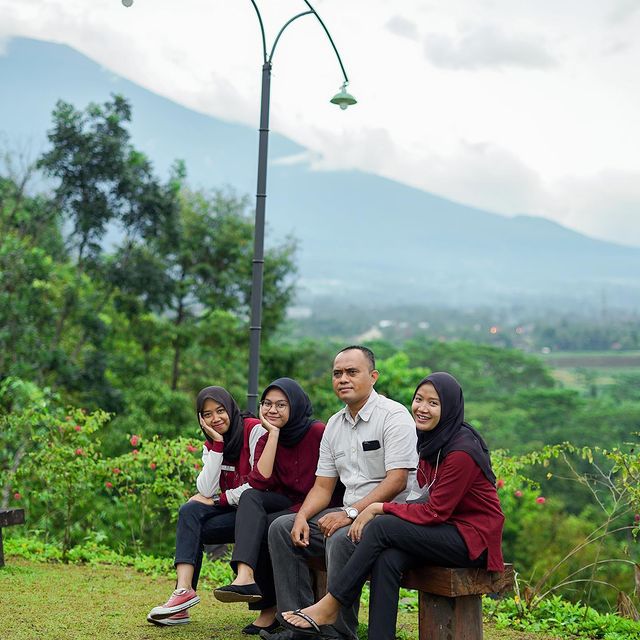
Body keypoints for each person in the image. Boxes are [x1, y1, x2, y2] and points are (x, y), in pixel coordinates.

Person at [278, 372, 505, 640]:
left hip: (471, 539)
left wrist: (378, 508)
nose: (422, 408)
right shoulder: (434, 439)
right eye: (419, 399)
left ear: (450, 408)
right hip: (444, 530)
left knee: (381, 526)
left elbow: (435, 511)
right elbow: (425, 499)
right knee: (388, 558)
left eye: (434, 403)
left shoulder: (460, 452)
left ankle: (332, 604)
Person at [265, 346, 418, 640]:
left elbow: (397, 481)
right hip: (348, 513)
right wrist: (302, 516)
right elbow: (323, 486)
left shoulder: (394, 416)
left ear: (373, 377)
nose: (343, 379)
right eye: (337, 373)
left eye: (352, 372)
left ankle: (339, 632)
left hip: (388, 518)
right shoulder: (334, 425)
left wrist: (351, 513)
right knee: (282, 528)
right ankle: (298, 627)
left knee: (340, 536)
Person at [146, 385, 266, 631]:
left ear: (230, 408)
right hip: (234, 512)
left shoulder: (253, 430)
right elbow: (206, 488)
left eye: (220, 410)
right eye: (207, 414)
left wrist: (217, 501)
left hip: (257, 513)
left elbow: (259, 485)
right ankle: (184, 592)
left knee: (202, 508)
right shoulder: (212, 442)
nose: (215, 418)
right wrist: (217, 445)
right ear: (201, 418)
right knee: (190, 511)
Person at [212, 378, 326, 635]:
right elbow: (260, 482)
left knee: (267, 527)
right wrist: (273, 433)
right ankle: (245, 576)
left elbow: (329, 483)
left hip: (316, 505)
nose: (272, 410)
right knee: (252, 497)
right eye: (267, 404)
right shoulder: (269, 436)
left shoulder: (317, 432)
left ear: (295, 406)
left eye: (280, 405)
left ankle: (271, 610)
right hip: (285, 502)